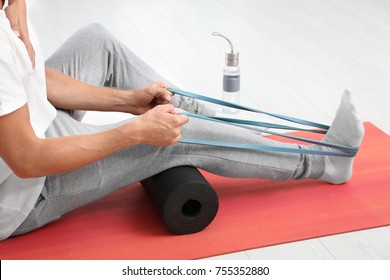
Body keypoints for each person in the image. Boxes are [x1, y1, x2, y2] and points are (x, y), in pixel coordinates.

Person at [0, 1, 364, 241]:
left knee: (97, 42)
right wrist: (133, 133)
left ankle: (232, 130)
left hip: (29, 125)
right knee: (178, 134)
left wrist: (128, 102)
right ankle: (324, 163)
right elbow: (28, 159)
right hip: (25, 190)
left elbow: (34, 80)